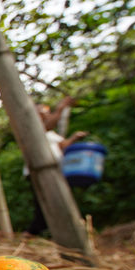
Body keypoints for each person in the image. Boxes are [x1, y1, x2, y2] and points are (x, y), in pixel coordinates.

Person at [23, 96, 88, 236]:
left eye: (47, 110)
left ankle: (56, 231)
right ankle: (32, 232)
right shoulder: (31, 128)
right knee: (44, 203)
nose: (46, 113)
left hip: (56, 170)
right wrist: (60, 108)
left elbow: (61, 145)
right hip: (40, 171)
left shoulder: (51, 133)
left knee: (58, 201)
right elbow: (47, 126)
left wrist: (74, 138)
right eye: (42, 111)